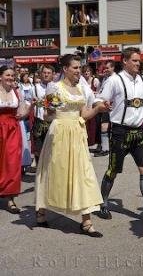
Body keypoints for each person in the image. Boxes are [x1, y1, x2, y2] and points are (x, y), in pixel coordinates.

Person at [35, 54, 108, 237]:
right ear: (65, 69)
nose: (78, 71)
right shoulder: (55, 87)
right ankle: (41, 210)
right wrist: (50, 108)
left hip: (77, 132)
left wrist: (98, 109)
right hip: (59, 132)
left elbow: (84, 115)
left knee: (83, 174)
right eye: (75, 68)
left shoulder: (81, 89)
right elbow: (47, 115)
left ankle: (87, 221)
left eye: (79, 68)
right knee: (53, 172)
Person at [95, 47, 143, 222]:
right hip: (120, 132)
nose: (138, 63)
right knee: (113, 170)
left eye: (139, 61)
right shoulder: (114, 80)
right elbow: (99, 99)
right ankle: (103, 203)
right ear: (125, 61)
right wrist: (103, 104)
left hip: (139, 133)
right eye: (135, 60)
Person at [0, 66, 29, 213]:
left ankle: (10, 199)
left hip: (12, 129)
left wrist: (23, 113)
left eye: (12, 75)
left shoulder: (17, 92)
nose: (10, 78)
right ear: (0, 76)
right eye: (7, 75)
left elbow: (23, 109)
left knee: (12, 163)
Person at [32, 65, 54, 165]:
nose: (46, 75)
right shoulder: (35, 88)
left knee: (52, 149)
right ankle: (39, 172)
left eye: (48, 73)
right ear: (40, 74)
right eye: (44, 73)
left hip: (52, 122)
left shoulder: (56, 87)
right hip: (39, 122)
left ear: (53, 75)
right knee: (39, 149)